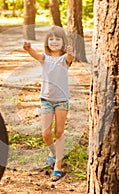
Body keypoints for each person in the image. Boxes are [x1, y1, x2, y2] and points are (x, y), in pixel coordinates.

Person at [23, 26, 73, 181]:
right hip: (46, 99)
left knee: (59, 133)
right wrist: (28, 48)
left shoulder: (64, 59)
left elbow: (70, 58)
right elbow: (34, 54)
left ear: (63, 42)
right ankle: (53, 152)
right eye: (51, 39)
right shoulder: (44, 57)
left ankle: (58, 166)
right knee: (45, 134)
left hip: (61, 101)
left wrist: (70, 52)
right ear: (47, 42)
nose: (54, 42)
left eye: (58, 39)